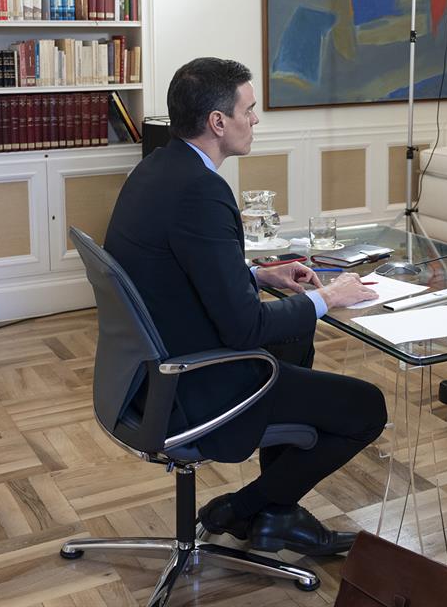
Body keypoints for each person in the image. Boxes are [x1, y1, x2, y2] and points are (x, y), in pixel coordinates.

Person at [103, 57, 387, 557]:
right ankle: (246, 507)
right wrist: (330, 296)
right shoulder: (201, 191)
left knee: (296, 335)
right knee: (367, 408)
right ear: (218, 122)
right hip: (195, 385)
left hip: (145, 374)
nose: (255, 120)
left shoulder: (157, 169)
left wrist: (257, 274)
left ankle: (275, 514)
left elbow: (175, 272)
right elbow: (246, 326)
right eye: (249, 110)